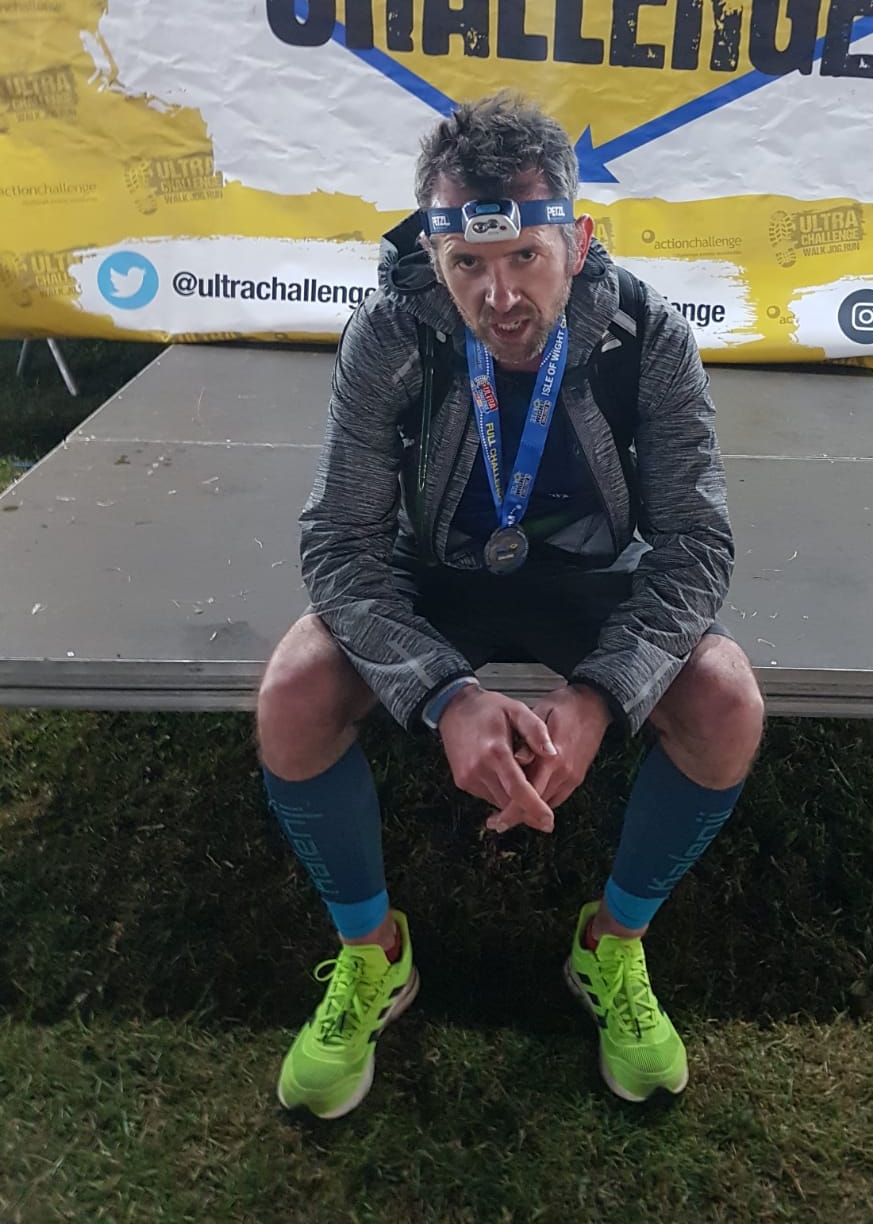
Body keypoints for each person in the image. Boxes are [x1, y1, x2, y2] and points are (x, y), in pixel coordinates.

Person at [257, 92, 764, 1119]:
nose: (499, 295)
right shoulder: (391, 334)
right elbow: (342, 545)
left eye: (526, 256)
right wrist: (445, 696)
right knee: (294, 689)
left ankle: (612, 943)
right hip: (434, 579)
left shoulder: (650, 337)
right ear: (435, 257)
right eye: (468, 265)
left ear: (577, 240)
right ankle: (372, 955)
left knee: (725, 701)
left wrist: (603, 695)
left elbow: (696, 544)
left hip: (588, 585)